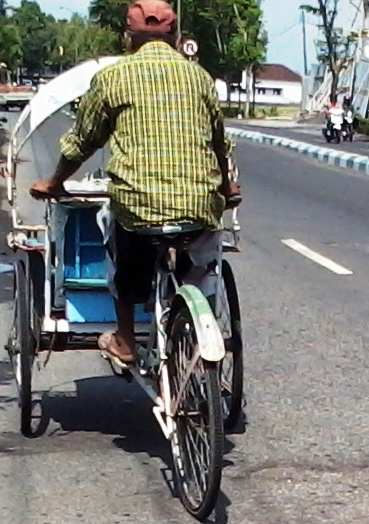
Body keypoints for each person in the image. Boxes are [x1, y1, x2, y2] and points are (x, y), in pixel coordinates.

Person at [30, 0, 239, 366]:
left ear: (128, 38)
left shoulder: (113, 77)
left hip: (138, 209)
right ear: (175, 39)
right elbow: (220, 143)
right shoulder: (199, 77)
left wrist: (55, 181)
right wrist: (226, 187)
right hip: (199, 205)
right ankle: (199, 307)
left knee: (112, 226)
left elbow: (81, 142)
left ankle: (126, 338)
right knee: (204, 253)